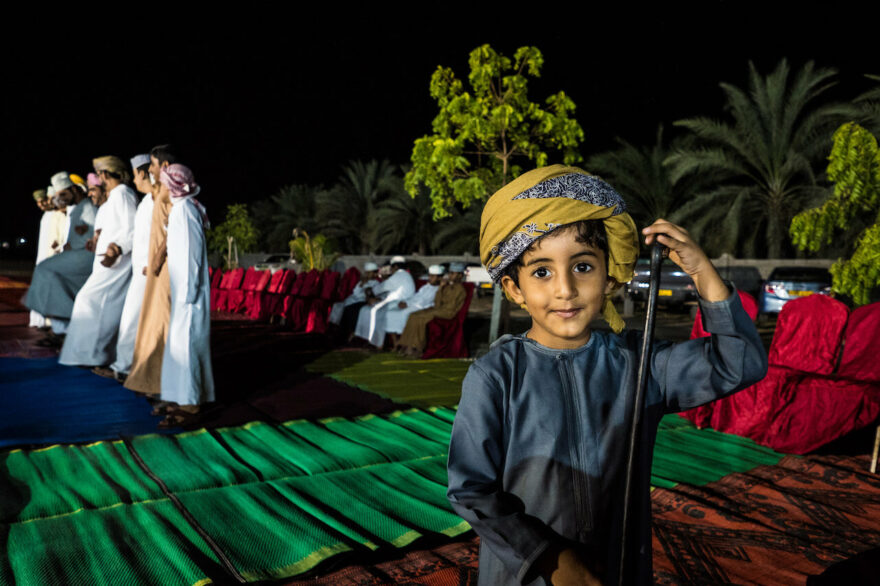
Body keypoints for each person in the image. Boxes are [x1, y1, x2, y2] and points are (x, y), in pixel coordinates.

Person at [445, 165, 768, 586]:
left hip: (619, 569)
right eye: (541, 271)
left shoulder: (641, 363)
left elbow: (739, 363)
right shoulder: (496, 375)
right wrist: (550, 560)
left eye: (582, 267)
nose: (565, 289)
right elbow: (472, 490)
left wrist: (701, 271)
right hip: (526, 576)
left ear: (609, 274)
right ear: (514, 289)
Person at [59, 157, 137, 367]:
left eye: (100, 173)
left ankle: (92, 354)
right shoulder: (114, 198)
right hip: (106, 262)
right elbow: (110, 228)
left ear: (105, 175)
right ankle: (93, 354)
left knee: (89, 301)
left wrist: (117, 248)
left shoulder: (123, 194)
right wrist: (96, 241)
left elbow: (131, 230)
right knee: (97, 306)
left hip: (117, 263)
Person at [155, 164, 214, 426]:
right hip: (183, 292)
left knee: (188, 347)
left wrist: (188, 293)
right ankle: (179, 397)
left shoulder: (186, 211)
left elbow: (191, 254)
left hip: (189, 295)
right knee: (179, 347)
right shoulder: (181, 210)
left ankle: (190, 405)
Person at [125, 144, 177, 396]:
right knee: (150, 329)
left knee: (160, 329)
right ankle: (149, 382)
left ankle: (162, 387)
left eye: (153, 165)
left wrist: (157, 258)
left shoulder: (167, 194)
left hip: (162, 272)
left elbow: (173, 230)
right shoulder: (151, 198)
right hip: (152, 272)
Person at [96, 155, 153, 380]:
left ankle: (126, 370)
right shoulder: (147, 201)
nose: (134, 179)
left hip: (148, 270)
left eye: (136, 173)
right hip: (140, 269)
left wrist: (119, 248)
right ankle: (126, 368)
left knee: (132, 322)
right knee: (131, 322)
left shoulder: (150, 200)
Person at [24, 172, 97, 342]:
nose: (61, 199)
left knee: (47, 273)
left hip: (84, 261)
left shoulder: (88, 208)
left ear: (74, 189)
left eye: (63, 194)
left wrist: (75, 244)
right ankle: (59, 330)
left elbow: (92, 239)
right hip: (74, 258)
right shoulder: (77, 209)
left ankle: (62, 331)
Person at [396, 263, 467, 357]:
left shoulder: (460, 290)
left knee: (421, 318)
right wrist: (441, 288)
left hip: (448, 312)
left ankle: (417, 348)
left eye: (453, 273)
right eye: (450, 273)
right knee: (413, 315)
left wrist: (434, 309)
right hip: (439, 309)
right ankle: (406, 345)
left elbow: (450, 307)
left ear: (460, 275)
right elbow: (437, 302)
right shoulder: (447, 287)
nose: (450, 275)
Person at [352, 255, 415, 348]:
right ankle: (367, 339)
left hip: (397, 303)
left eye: (391, 268)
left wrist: (371, 292)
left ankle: (377, 343)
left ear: (395, 267)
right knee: (365, 310)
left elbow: (382, 288)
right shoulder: (404, 275)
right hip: (395, 301)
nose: (391, 270)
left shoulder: (398, 275)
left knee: (371, 311)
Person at [387, 264, 444, 350]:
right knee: (390, 313)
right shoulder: (426, 287)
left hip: (422, 307)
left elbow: (425, 301)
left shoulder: (439, 289)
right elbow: (415, 296)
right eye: (429, 276)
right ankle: (395, 342)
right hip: (413, 304)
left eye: (433, 276)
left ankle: (404, 343)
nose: (430, 278)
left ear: (439, 278)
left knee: (404, 314)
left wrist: (408, 304)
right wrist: (405, 302)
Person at [29, 189, 64, 328]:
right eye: (39, 202)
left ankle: (49, 324)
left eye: (45, 200)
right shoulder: (46, 216)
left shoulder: (59, 214)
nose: (42, 204)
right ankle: (40, 321)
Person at [329, 261, 379, 327]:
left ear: (375, 273)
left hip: (362, 300)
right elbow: (355, 292)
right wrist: (361, 284)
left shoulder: (376, 283)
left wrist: (365, 285)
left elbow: (370, 293)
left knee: (347, 309)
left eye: (369, 273)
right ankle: (334, 326)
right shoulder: (362, 281)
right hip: (353, 298)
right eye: (367, 273)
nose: (367, 274)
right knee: (337, 306)